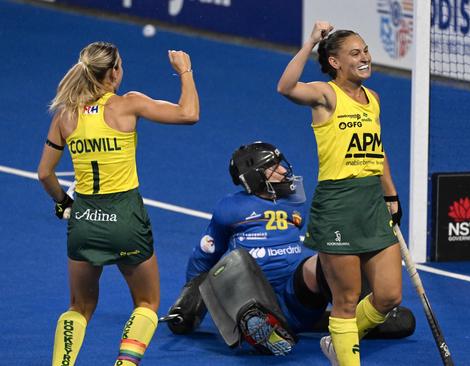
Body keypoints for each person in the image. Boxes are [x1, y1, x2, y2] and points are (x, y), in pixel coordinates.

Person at [162, 142, 414, 356]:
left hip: (298, 294)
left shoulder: (294, 198)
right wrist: (189, 296)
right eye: (274, 167)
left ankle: (358, 314)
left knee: (328, 258)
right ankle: (264, 328)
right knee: (235, 261)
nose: (284, 170)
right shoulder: (230, 208)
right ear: (253, 177)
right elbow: (205, 255)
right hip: (255, 297)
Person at [37, 41, 199, 366]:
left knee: (79, 308)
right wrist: (185, 71)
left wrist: (62, 202)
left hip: (84, 220)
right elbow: (189, 113)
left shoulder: (65, 116)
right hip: (126, 219)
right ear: (114, 73)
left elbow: (44, 174)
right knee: (147, 302)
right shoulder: (128, 104)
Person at [277, 21, 404, 365]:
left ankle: (338, 343)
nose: (364, 58)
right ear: (335, 62)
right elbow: (286, 86)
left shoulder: (372, 99)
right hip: (338, 205)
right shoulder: (325, 95)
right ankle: (346, 355)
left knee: (390, 295)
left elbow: (376, 150)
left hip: (371, 204)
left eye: (365, 50)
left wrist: (390, 195)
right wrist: (310, 42)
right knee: (346, 300)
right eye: (355, 53)